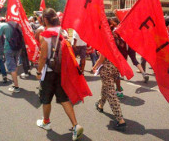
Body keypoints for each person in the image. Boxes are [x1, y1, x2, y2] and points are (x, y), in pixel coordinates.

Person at [36, 8, 83, 141]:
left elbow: (43, 56)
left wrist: (39, 72)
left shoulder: (45, 34)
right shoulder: (62, 31)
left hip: (49, 72)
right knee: (63, 99)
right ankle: (75, 125)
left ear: (45, 20)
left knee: (46, 99)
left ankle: (46, 122)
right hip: (62, 71)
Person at [92, 20, 127, 131]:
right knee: (106, 88)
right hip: (115, 66)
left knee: (111, 93)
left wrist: (94, 66)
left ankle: (120, 119)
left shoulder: (105, 37)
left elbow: (102, 58)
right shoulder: (114, 35)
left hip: (106, 68)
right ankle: (100, 105)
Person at [0, 21, 21, 92]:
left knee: (11, 68)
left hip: (8, 48)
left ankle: (16, 87)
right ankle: (14, 82)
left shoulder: (3, 25)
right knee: (15, 65)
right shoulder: (17, 24)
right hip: (17, 47)